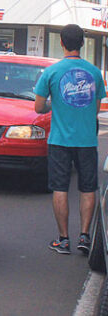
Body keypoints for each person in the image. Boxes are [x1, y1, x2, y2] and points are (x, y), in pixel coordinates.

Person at [33, 24, 105, 256]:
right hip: (87, 141)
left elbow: (38, 107)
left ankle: (64, 240)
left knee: (60, 188)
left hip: (59, 140)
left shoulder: (52, 72)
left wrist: (55, 103)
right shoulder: (94, 73)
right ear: (82, 43)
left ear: (62, 43)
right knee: (88, 188)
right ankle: (85, 236)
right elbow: (95, 108)